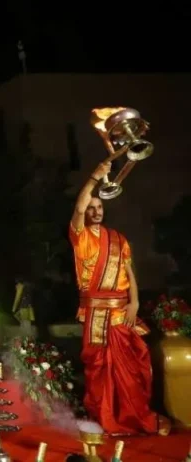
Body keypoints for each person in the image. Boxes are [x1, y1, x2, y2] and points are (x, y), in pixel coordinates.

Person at [69, 161, 170, 435]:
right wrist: (94, 177)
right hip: (96, 316)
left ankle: (134, 417)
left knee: (133, 367)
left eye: (99, 207)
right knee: (100, 370)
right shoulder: (80, 237)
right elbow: (78, 207)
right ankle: (105, 418)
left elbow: (129, 272)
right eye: (91, 208)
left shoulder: (118, 239)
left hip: (121, 313)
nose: (95, 211)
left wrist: (134, 303)